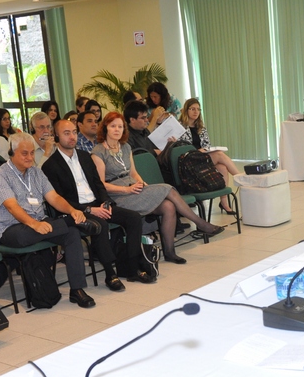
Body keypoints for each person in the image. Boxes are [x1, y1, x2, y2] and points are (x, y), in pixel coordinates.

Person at [90, 112, 223, 265]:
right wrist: (126, 190)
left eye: (120, 126)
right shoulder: (98, 152)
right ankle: (201, 224)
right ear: (105, 128)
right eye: (113, 126)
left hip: (133, 188)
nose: (117, 130)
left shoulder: (125, 147)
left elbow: (133, 173)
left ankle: (170, 252)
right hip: (117, 196)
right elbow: (101, 185)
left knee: (168, 206)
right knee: (169, 189)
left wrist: (144, 186)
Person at [43, 119, 155, 289]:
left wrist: (105, 202)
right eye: (66, 133)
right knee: (100, 224)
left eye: (74, 132)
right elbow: (59, 200)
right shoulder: (50, 166)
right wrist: (90, 210)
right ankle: (110, 274)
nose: (72, 136)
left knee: (132, 217)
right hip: (75, 210)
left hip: (96, 203)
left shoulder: (84, 156)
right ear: (56, 135)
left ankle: (133, 267)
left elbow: (98, 184)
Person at [0, 133, 99, 309]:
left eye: (32, 153)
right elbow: (12, 207)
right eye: (24, 153)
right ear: (11, 153)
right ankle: (68, 222)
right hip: (13, 227)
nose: (30, 157)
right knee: (25, 236)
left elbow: (54, 197)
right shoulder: (1, 175)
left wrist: (72, 210)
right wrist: (34, 224)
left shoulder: (36, 172)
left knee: (71, 235)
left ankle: (77, 290)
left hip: (42, 222)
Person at [177, 98, 240, 214]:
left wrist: (204, 150)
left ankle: (224, 203)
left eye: (198, 109)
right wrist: (197, 151)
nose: (196, 112)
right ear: (186, 110)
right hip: (189, 161)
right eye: (192, 109)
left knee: (222, 168)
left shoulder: (201, 127)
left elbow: (207, 145)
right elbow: (180, 149)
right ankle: (240, 177)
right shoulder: (179, 127)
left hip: (201, 158)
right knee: (219, 154)